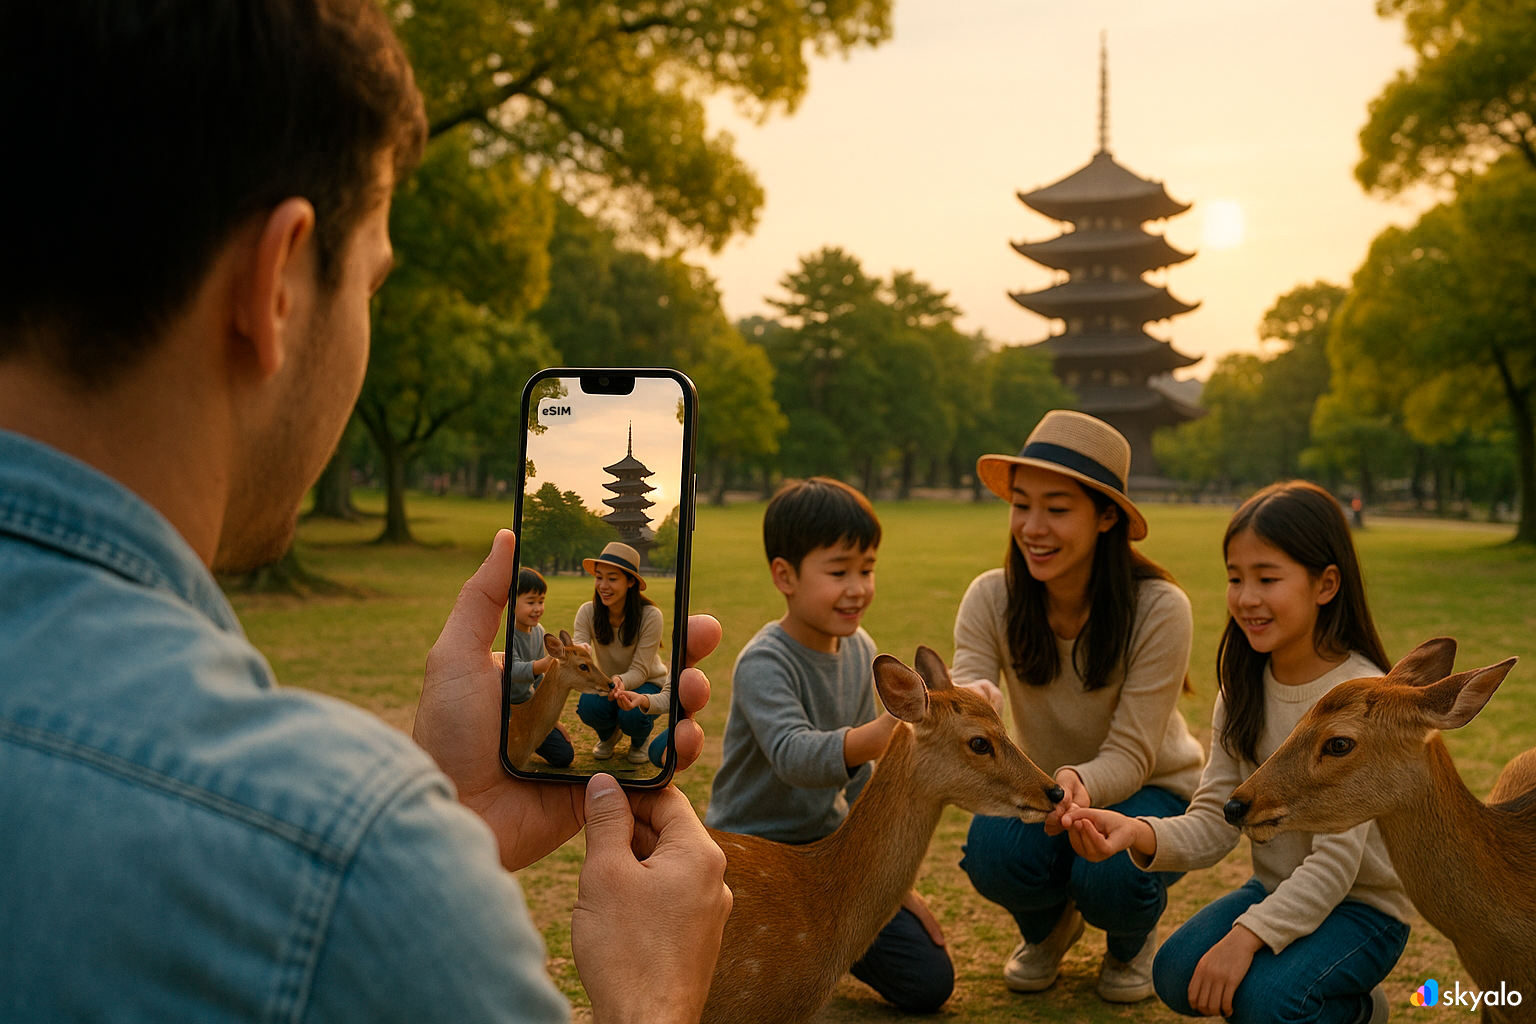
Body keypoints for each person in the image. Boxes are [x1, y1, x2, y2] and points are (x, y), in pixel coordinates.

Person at [0, 4, 731, 1022]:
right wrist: (651, 1001)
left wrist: (448, 817)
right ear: (280, 282)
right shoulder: (342, 861)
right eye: (373, 284)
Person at [1061, 481, 1411, 1024]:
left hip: (1362, 909)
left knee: (1267, 1003)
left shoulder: (1364, 700)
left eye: (1267, 578)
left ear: (1326, 584)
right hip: (1274, 888)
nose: (1246, 597)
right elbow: (1216, 819)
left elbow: (1336, 867)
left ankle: (1357, 1010)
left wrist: (1245, 939)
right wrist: (1137, 832)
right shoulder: (1241, 687)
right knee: (1177, 975)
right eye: (1235, 578)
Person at [952, 410, 1206, 1002]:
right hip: (1043, 789)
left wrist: (1076, 784)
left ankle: (1129, 942)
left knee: (1109, 869)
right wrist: (975, 698)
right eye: (1021, 504)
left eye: (1057, 509)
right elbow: (967, 685)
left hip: (1151, 788)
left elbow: (1132, 754)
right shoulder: (992, 596)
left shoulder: (1160, 608)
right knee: (990, 854)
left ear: (1107, 515)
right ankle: (1048, 929)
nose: (1032, 527)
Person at [705, 477, 957, 1014]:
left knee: (928, 981)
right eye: (839, 571)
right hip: (751, 856)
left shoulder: (859, 647)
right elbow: (796, 758)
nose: (858, 587)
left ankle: (811, 951)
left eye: (867, 569)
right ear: (785, 576)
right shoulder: (764, 662)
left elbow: (869, 786)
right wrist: (891, 730)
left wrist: (889, 889)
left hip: (830, 862)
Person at [574, 542, 672, 767]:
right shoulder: (587, 612)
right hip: (607, 683)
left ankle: (639, 741)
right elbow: (579, 641)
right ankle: (608, 736)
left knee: (632, 714)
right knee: (589, 708)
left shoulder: (650, 616)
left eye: (612, 578)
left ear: (630, 582)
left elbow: (639, 670)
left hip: (646, 682)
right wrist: (582, 650)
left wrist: (621, 681)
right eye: (599, 577)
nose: (603, 585)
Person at [507, 567, 575, 767]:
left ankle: (531, 740)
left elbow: (538, 682)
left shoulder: (539, 632)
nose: (537, 608)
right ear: (511, 602)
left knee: (564, 755)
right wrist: (546, 663)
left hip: (530, 708)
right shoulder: (508, 635)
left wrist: (549, 721)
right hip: (504, 710)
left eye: (541, 601)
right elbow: (514, 671)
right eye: (530, 602)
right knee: (502, 757)